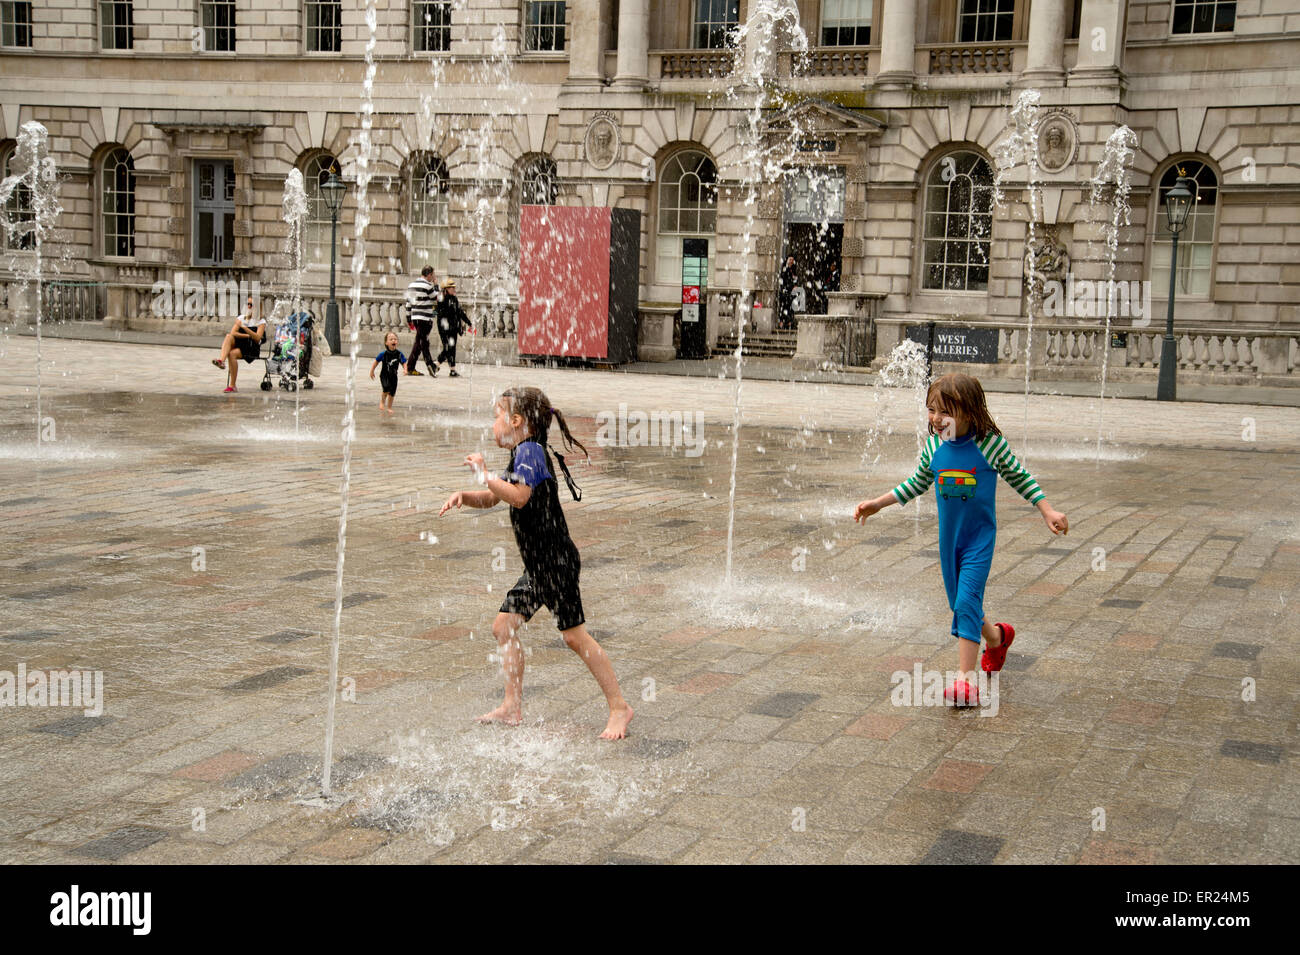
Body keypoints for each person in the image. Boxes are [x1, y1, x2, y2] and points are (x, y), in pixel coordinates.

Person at [853, 373, 1069, 706]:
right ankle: (997, 638)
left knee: (966, 602)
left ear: (969, 412)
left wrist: (1047, 510)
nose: (936, 420)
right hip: (948, 540)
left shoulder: (989, 445)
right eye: (931, 411)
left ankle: (966, 681)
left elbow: (1020, 476)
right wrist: (878, 505)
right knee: (961, 604)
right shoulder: (934, 447)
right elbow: (917, 482)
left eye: (945, 412)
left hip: (979, 539)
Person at [438, 385, 633, 740]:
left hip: (555, 562)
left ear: (516, 421)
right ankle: (512, 706)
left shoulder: (529, 451)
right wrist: (467, 495)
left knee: (574, 637)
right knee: (504, 625)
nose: (494, 422)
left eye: (498, 415)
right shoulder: (523, 453)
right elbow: (498, 496)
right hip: (540, 565)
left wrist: (485, 476)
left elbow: (519, 496)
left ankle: (619, 706)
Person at [211, 297, 265, 393]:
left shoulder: (261, 321)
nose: (248, 306)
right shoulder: (242, 318)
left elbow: (257, 338)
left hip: (251, 347)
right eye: (247, 304)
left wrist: (244, 327)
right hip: (240, 343)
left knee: (232, 354)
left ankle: (232, 385)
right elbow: (233, 332)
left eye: (251, 305)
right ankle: (221, 361)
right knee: (228, 336)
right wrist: (247, 335)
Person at [405, 265, 439, 377]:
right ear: (429, 275)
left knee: (420, 342)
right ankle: (429, 364)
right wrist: (436, 285)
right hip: (425, 318)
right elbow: (437, 298)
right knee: (423, 343)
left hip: (415, 318)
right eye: (433, 275)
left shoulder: (411, 285)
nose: (433, 277)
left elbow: (408, 303)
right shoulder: (428, 286)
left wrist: (409, 318)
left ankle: (411, 367)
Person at [434, 278, 471, 377]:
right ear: (446, 289)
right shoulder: (441, 299)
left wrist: (468, 322)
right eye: (451, 287)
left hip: (453, 327)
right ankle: (436, 364)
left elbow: (460, 312)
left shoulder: (454, 298)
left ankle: (452, 370)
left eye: (454, 287)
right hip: (444, 327)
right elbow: (438, 313)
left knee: (452, 348)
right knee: (447, 347)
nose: (454, 289)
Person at [369, 331, 406, 415]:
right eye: (391, 339)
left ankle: (389, 407)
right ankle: (382, 402)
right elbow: (376, 362)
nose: (393, 341)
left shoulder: (399, 354)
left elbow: (404, 362)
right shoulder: (383, 354)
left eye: (395, 339)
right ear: (386, 342)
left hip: (394, 376)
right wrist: (372, 371)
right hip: (384, 375)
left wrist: (405, 369)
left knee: (392, 393)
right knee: (386, 389)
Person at [778, 255, 798, 330]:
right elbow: (784, 280)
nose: (791, 261)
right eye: (790, 259)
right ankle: (782, 323)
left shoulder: (793, 269)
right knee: (783, 307)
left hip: (791, 292)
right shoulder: (785, 269)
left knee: (791, 308)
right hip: (785, 291)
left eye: (792, 260)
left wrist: (795, 286)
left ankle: (789, 323)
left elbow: (795, 279)